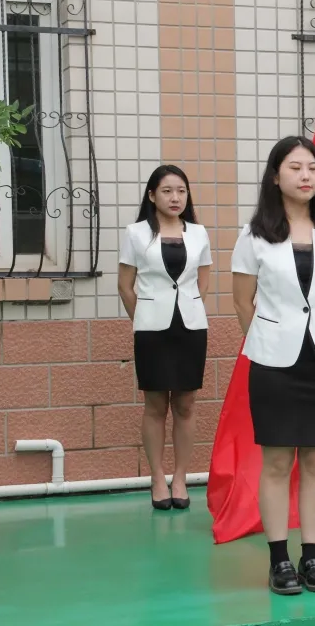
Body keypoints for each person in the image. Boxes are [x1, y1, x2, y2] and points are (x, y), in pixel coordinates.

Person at [229, 136, 315, 595]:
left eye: (313, 169)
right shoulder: (254, 235)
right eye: (296, 168)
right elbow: (242, 301)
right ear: (275, 176)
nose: (306, 176)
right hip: (274, 362)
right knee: (278, 462)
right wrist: (269, 335)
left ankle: (313, 558)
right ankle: (279, 561)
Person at [118, 165, 212, 511]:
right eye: (168, 191)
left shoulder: (199, 233)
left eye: (182, 191)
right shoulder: (136, 233)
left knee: (185, 404)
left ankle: (181, 475)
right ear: (152, 195)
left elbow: (203, 281)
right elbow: (125, 286)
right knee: (156, 405)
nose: (175, 197)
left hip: (191, 327)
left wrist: (187, 304)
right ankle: (157, 477)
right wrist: (142, 316)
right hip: (151, 329)